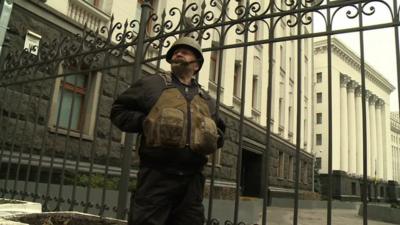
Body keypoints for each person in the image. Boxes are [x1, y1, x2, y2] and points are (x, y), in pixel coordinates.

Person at [110, 36, 225, 225]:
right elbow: (118, 111)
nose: (178, 53)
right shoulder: (152, 84)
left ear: (196, 65)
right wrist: (146, 122)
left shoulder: (207, 99)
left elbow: (221, 132)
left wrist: (211, 135)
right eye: (175, 52)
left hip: (192, 181)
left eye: (185, 51)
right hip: (156, 177)